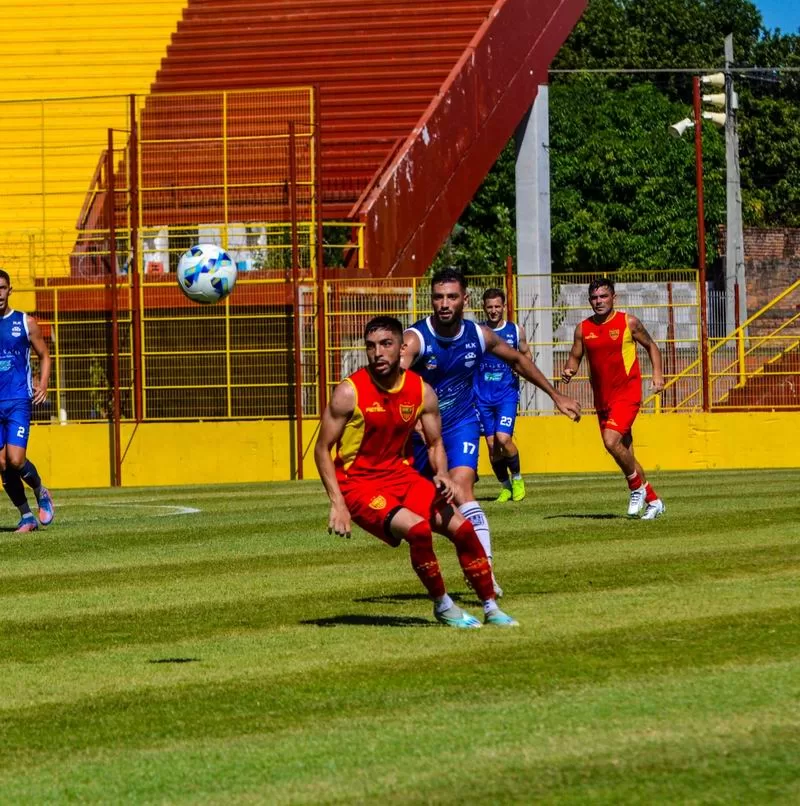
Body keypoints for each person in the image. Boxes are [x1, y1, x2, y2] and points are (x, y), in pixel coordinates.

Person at [314, 315, 518, 628]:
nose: (378, 353)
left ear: (401, 347)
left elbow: (436, 443)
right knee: (418, 530)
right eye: (371, 346)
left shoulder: (421, 391)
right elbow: (321, 450)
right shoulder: (349, 392)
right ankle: (443, 605)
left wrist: (442, 473)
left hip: (402, 476)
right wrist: (337, 502)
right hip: (359, 486)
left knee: (463, 529)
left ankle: (491, 606)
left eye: (386, 344)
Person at [402, 268, 581, 594]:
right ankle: (464, 551)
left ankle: (484, 571)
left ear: (464, 300)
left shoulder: (478, 335)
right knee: (421, 513)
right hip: (418, 435)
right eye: (438, 297)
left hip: (459, 424)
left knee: (462, 489)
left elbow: (516, 360)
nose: (444, 304)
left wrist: (556, 395)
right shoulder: (416, 339)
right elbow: (386, 382)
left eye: (452, 297)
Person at [561, 277, 665, 520]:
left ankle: (635, 488)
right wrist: (569, 370)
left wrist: (657, 375)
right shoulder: (583, 329)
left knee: (610, 441)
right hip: (602, 399)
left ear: (613, 298)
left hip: (627, 394)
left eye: (604, 296)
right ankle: (654, 500)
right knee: (623, 452)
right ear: (589, 300)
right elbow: (575, 358)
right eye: (595, 298)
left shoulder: (628, 322)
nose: (599, 301)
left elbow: (652, 346)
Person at [0, 269, 56, 533]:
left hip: (18, 400)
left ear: (9, 290)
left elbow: (45, 355)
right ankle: (26, 517)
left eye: (2, 288)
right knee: (1, 463)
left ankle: (40, 489)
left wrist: (43, 384)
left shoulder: (25, 322)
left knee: (16, 459)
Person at [474, 288, 532, 503]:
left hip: (506, 394)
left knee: (503, 438)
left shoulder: (515, 331)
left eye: (497, 306)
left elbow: (526, 354)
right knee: (491, 445)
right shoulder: (478, 331)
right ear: (484, 308)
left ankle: (517, 479)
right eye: (490, 307)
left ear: (504, 307)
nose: (494, 311)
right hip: (481, 396)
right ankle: (505, 486)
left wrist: (522, 367)